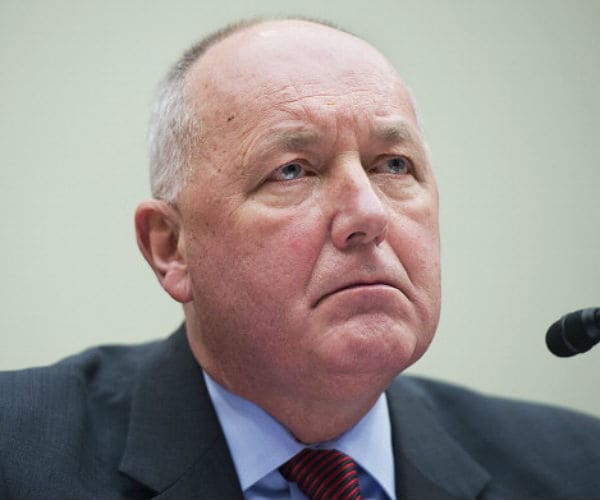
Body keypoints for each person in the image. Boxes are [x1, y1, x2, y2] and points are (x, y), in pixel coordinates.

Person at [1, 17, 599, 500]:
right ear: (171, 247)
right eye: (292, 171)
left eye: (394, 165)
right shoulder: (18, 458)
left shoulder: (577, 467)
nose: (368, 214)